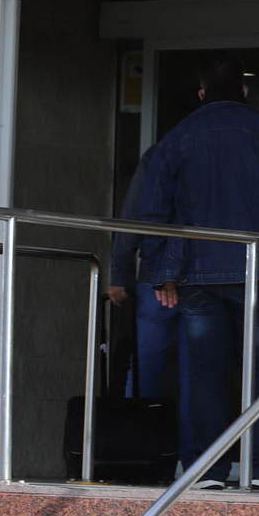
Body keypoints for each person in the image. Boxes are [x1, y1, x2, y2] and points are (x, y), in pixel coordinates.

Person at [139, 51, 259, 491]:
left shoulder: (177, 138)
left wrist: (163, 272)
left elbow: (153, 211)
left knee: (204, 373)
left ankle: (207, 469)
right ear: (245, 90)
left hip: (197, 275)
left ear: (201, 94)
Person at [109, 149, 185, 407]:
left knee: (145, 369)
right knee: (200, 376)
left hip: (156, 275)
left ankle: (137, 440)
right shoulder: (229, 153)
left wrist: (121, 272)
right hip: (209, 278)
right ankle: (196, 448)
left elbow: (133, 214)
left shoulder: (162, 153)